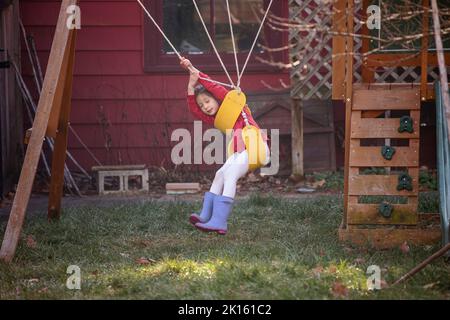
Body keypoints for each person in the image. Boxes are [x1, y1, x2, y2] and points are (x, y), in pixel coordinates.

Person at [179, 57, 270, 235]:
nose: (205, 107)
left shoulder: (234, 103)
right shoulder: (216, 118)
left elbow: (214, 87)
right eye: (201, 104)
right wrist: (190, 87)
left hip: (255, 145)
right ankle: (206, 216)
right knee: (220, 174)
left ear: (217, 99)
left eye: (207, 101)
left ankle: (219, 221)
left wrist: (193, 71)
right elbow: (194, 111)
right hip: (241, 149)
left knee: (230, 175)